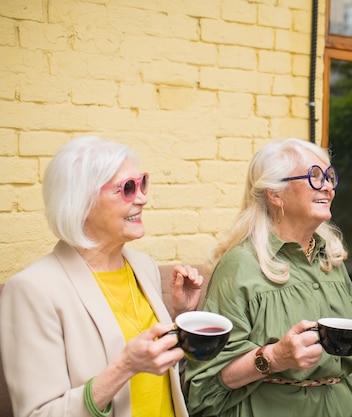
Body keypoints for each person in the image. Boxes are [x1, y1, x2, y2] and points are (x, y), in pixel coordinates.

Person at [184, 138, 352, 417]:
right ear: (275, 194)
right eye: (314, 177)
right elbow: (206, 384)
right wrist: (274, 358)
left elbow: (343, 340)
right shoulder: (240, 266)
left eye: (329, 177)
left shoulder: (330, 258)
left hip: (344, 406)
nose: (328, 187)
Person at [0, 136, 204, 417]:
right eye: (127, 189)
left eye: (142, 182)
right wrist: (124, 368)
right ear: (81, 203)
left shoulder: (143, 266)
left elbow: (158, 369)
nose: (143, 198)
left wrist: (182, 315)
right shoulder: (32, 290)